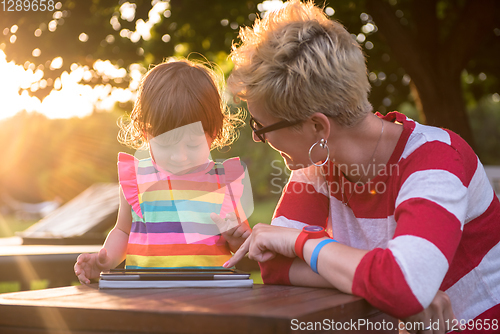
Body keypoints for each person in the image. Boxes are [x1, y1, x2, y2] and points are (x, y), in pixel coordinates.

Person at [225, 1, 500, 332]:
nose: (258, 139)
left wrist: (303, 244)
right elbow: (274, 265)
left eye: (261, 128)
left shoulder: (437, 159)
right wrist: (384, 284)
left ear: (317, 128)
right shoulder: (316, 165)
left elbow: (404, 287)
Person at [74, 59, 251, 283]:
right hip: (146, 291)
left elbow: (241, 242)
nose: (179, 156)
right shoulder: (137, 179)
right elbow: (123, 232)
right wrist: (104, 260)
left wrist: (236, 238)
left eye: (192, 145)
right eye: (166, 145)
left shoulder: (224, 182)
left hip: (209, 295)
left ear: (213, 132)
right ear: (144, 131)